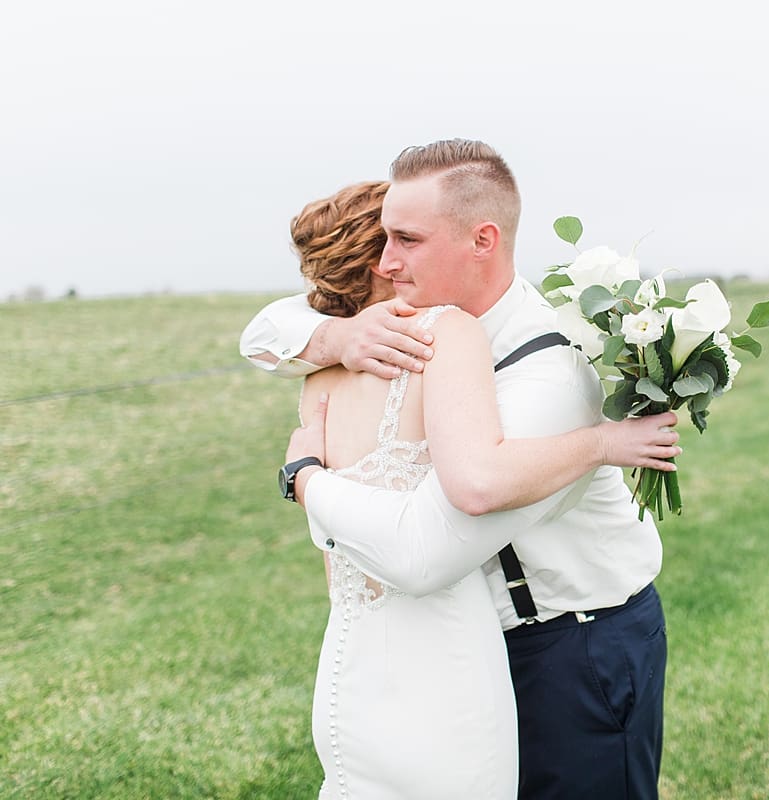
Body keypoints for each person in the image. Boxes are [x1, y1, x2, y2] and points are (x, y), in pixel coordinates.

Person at [243, 140, 671, 799]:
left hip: (571, 646)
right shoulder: (416, 326)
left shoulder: (547, 374)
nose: (388, 263)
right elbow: (269, 330)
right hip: (476, 643)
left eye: (407, 240)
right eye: (384, 239)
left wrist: (305, 478)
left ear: (483, 240)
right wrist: (336, 338)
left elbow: (437, 540)